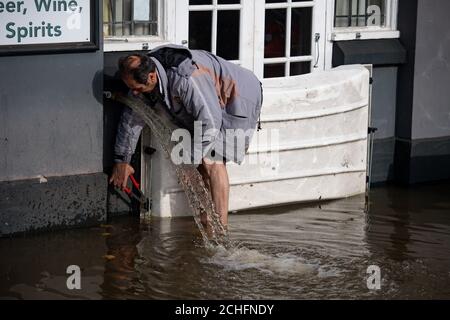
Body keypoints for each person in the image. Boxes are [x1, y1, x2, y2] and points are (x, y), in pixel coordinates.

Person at [109, 44, 263, 228]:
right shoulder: (145, 71)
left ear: (152, 76)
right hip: (207, 98)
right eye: (131, 88)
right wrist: (122, 161)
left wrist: (190, 160)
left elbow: (210, 125)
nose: (134, 93)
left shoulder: (186, 78)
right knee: (199, 159)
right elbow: (131, 118)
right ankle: (207, 218)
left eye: (138, 89)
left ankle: (221, 230)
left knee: (212, 159)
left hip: (237, 95)